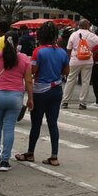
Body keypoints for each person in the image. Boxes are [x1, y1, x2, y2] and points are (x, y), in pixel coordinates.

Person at [16, 21, 68, 165]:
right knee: (53, 123)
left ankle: (30, 153)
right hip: (56, 89)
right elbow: (66, 71)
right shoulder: (62, 52)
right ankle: (54, 156)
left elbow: (33, 70)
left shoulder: (38, 51)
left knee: (36, 124)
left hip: (40, 91)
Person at [0, 32, 32, 171]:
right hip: (16, 97)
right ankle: (5, 161)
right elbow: (28, 81)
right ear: (18, 43)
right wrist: (30, 98)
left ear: (4, 41)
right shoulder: (24, 58)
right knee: (9, 128)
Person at [61, 19, 98, 110]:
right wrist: (94, 52)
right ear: (87, 26)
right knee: (85, 82)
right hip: (88, 60)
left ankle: (65, 101)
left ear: (79, 26)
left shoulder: (74, 34)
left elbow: (68, 48)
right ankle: (82, 103)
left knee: (70, 80)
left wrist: (69, 58)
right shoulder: (91, 35)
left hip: (75, 60)